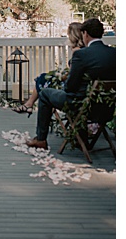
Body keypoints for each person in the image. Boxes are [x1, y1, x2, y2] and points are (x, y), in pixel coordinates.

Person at [27, 16, 114, 150]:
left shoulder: (82, 55)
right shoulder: (115, 53)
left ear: (85, 34)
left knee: (44, 94)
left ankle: (41, 139)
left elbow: (70, 87)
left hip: (80, 106)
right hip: (106, 110)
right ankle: (81, 139)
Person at [14, 22, 84, 115]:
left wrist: (62, 76)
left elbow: (73, 74)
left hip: (72, 91)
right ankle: (29, 104)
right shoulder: (84, 49)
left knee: (42, 80)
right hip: (79, 88)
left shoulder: (77, 51)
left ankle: (30, 105)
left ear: (73, 35)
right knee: (43, 78)